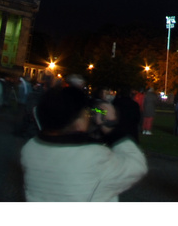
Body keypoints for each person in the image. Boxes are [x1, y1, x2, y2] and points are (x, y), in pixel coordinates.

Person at [20, 83, 148, 200]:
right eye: (86, 115)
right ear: (78, 123)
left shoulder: (29, 149)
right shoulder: (93, 157)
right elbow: (136, 166)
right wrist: (112, 129)